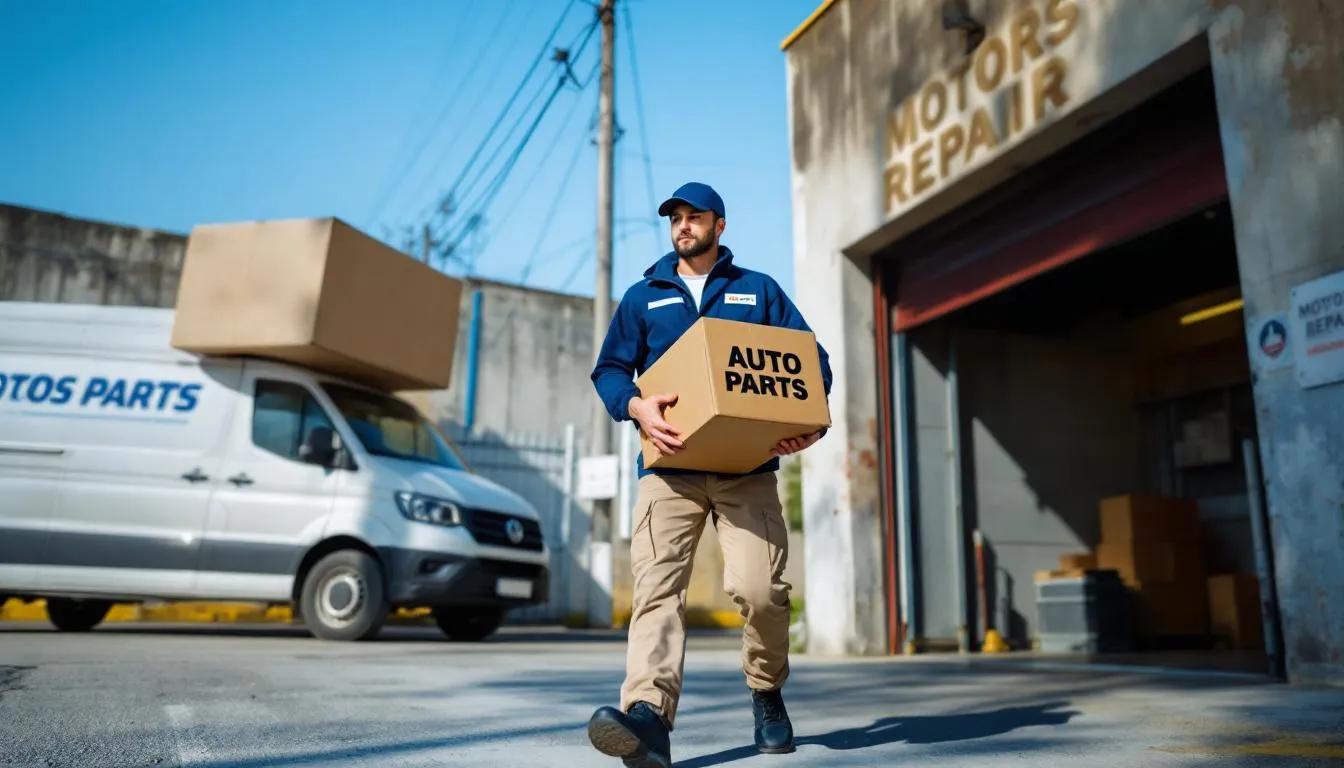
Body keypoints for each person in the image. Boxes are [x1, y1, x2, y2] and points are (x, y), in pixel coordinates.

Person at [585, 182, 832, 767]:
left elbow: (808, 361)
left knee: (762, 592)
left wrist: (809, 424)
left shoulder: (757, 290)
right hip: (669, 470)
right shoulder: (644, 297)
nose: (683, 226)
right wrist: (636, 406)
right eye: (675, 218)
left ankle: (767, 692)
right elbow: (611, 369)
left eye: (695, 217)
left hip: (746, 468)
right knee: (655, 592)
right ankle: (648, 717)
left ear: (720, 226)